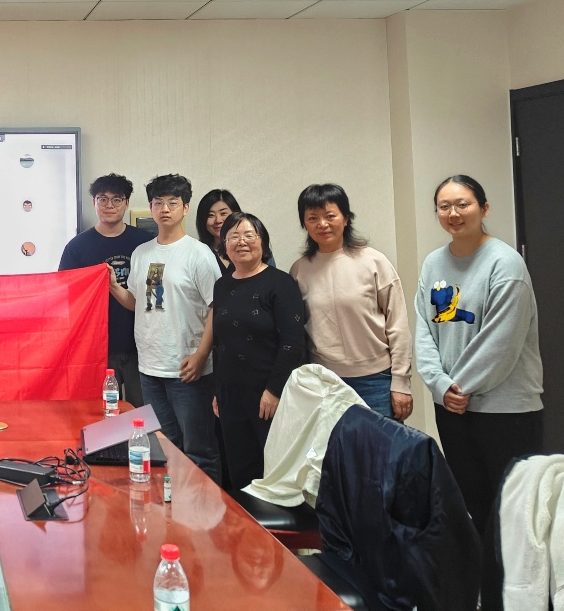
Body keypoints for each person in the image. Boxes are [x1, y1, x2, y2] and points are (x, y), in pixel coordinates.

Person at [414, 174, 544, 538]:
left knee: (514, 515)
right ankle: (484, 575)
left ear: (483, 209)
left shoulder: (505, 264)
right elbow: (424, 329)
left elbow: (502, 342)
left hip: (505, 410)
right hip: (452, 406)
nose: (453, 213)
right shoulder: (433, 263)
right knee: (474, 506)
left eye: (463, 204)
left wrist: (459, 386)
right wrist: (440, 386)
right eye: (444, 206)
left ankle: (514, 579)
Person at [110, 174, 222, 483]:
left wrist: (201, 355)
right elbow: (137, 302)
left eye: (173, 203)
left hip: (187, 369)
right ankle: (175, 506)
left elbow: (218, 308)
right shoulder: (142, 253)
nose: (165, 209)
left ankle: (207, 512)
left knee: (199, 450)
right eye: (158, 203)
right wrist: (113, 286)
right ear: (151, 207)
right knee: (165, 447)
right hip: (149, 368)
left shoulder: (198, 253)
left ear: (185, 208)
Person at [289, 184, 413, 421]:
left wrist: (401, 382)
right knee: (335, 445)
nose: (322, 224)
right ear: (305, 224)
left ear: (346, 219)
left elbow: (398, 326)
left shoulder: (374, 262)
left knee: (378, 445)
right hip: (325, 383)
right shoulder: (299, 270)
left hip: (377, 380)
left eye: (330, 216)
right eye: (312, 218)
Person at [209, 212, 306, 489]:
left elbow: (292, 342)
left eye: (249, 235)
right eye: (233, 237)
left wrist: (273, 390)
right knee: (239, 470)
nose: (241, 242)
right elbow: (220, 343)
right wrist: (218, 390)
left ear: (262, 241)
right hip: (230, 394)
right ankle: (245, 517)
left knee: (275, 473)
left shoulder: (281, 283)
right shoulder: (222, 285)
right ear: (224, 246)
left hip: (268, 394)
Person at [59, 173, 154, 407]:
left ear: (127, 203)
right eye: (102, 199)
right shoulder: (77, 247)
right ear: (94, 202)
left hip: (142, 345)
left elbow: (155, 292)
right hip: (97, 348)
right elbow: (66, 295)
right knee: (102, 414)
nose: (109, 205)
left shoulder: (146, 243)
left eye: (116, 199)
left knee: (144, 413)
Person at [196, 188, 275, 274]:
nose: (218, 220)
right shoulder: (198, 253)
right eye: (210, 215)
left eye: (223, 213)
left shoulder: (255, 248)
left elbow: (273, 278)